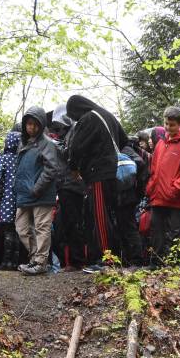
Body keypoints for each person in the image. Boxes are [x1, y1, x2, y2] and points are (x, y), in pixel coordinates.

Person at [66, 95, 128, 272]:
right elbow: (123, 141)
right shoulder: (107, 114)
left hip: (98, 173)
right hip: (113, 171)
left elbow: (76, 147)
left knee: (99, 216)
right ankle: (114, 257)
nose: (74, 119)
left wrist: (74, 167)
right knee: (109, 215)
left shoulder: (88, 118)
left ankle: (106, 260)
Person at [146, 107, 180, 267]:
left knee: (174, 234)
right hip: (158, 197)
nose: (168, 128)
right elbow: (154, 170)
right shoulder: (161, 144)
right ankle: (157, 264)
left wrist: (173, 189)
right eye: (166, 124)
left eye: (172, 125)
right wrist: (151, 188)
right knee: (156, 232)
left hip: (176, 199)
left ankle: (172, 266)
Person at [14, 106, 60, 275]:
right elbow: (20, 168)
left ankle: (40, 262)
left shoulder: (47, 144)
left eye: (34, 124)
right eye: (28, 124)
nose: (31, 127)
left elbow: (51, 169)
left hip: (41, 194)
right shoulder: (24, 143)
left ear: (41, 125)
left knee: (42, 227)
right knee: (21, 228)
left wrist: (36, 188)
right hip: (24, 194)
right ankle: (36, 258)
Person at [49, 104, 87, 270]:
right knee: (68, 223)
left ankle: (77, 260)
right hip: (66, 184)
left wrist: (56, 146)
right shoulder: (67, 134)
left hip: (72, 184)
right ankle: (74, 260)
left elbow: (71, 155)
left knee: (73, 222)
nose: (57, 130)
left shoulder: (74, 132)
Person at [0, 130, 21, 270]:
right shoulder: (21, 158)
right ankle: (16, 262)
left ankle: (6, 262)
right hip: (21, 198)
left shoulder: (4, 158)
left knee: (8, 230)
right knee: (18, 230)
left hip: (7, 198)